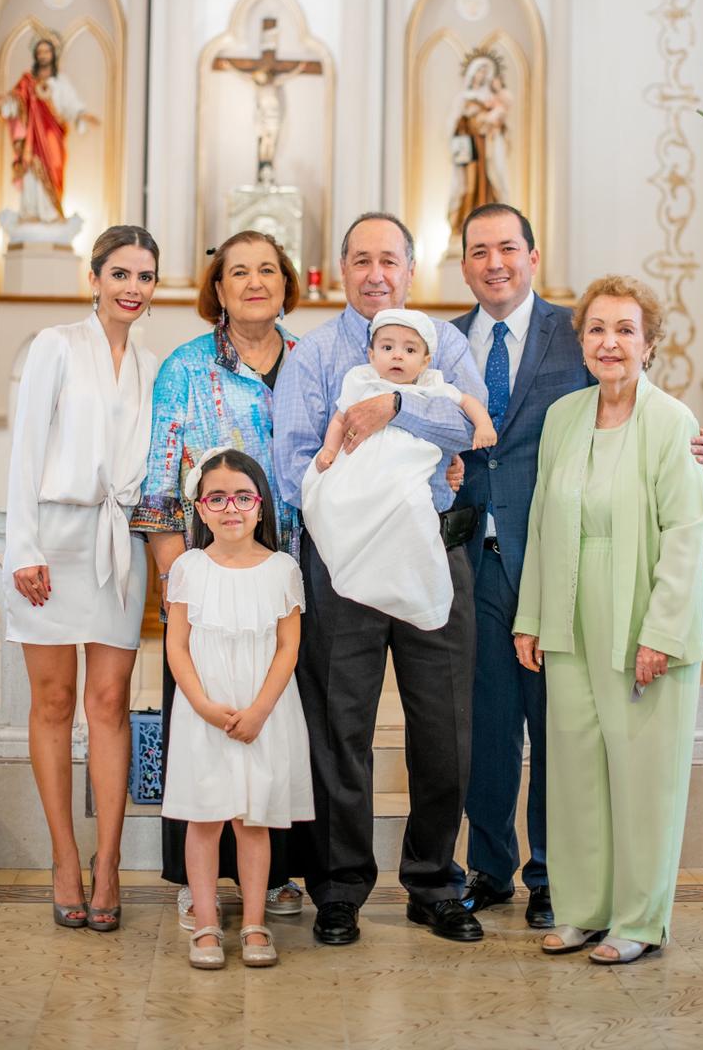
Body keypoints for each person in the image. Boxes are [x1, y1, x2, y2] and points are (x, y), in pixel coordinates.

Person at [452, 204, 703, 931]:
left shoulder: (577, 336)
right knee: (507, 735)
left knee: (592, 752)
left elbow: (668, 487)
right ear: (465, 262)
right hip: (492, 563)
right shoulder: (445, 342)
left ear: (534, 256)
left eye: (509, 248)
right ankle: (506, 873)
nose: (495, 262)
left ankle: (561, 884)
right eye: (480, 251)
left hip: (597, 583)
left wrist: (695, 454)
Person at [274, 213, 489, 945]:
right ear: (341, 269)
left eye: (389, 260)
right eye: (361, 259)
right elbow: (296, 459)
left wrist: (396, 405)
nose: (376, 273)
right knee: (341, 728)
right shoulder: (316, 356)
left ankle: (433, 881)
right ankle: (338, 887)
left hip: (434, 551)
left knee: (445, 727)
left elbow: (468, 426)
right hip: (343, 564)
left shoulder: (445, 343)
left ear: (409, 268)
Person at [514, 275, 703, 964]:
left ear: (649, 344)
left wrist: (661, 629)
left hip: (640, 615)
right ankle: (581, 911)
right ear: (583, 342)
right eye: (597, 329)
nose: (610, 342)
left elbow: (686, 533)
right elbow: (540, 519)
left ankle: (637, 920)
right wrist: (531, 616)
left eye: (625, 330)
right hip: (567, 611)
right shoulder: (564, 416)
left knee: (643, 773)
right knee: (573, 770)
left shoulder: (673, 423)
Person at [131, 231, 306, 922]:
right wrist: (180, 578)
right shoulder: (185, 365)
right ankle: (192, 876)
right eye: (240, 271)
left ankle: (278, 876)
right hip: (204, 574)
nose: (255, 281)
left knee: (276, 716)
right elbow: (159, 474)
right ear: (219, 288)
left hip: (284, 569)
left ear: (286, 284)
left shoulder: (310, 363)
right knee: (201, 720)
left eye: (268, 269)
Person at [3, 225, 159, 930]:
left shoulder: (154, 365)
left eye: (145, 276)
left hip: (117, 539)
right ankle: (65, 858)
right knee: (54, 701)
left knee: (109, 701)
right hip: (55, 537)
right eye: (120, 273)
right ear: (93, 278)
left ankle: (109, 862)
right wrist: (23, 547)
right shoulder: (56, 346)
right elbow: (25, 447)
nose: (132, 287)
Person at [163, 448, 313, 970]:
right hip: (205, 709)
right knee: (204, 819)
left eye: (243, 497)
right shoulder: (186, 568)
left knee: (254, 820)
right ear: (201, 509)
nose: (231, 508)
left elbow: (288, 647)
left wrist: (260, 710)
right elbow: (176, 646)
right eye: (218, 498)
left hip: (262, 711)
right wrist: (203, 704)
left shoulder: (282, 568)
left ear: (261, 506)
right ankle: (205, 923)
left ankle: (253, 922)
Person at [303, 307, 495, 630]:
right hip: (363, 472)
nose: (397, 356)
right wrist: (329, 450)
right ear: (371, 354)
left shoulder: (432, 385)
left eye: (409, 350)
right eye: (387, 348)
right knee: (332, 500)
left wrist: (483, 424)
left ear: (425, 361)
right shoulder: (360, 381)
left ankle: (424, 595)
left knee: (415, 510)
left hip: (409, 474)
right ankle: (357, 570)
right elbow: (340, 417)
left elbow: (467, 403)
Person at [0, 34, 98, 226]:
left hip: (52, 136)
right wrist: (5, 102)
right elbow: (17, 100)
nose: (43, 55)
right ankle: (31, 211)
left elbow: (71, 105)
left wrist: (82, 114)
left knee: (55, 168)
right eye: (39, 51)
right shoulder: (28, 80)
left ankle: (51, 213)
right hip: (32, 139)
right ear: (36, 55)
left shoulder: (61, 82)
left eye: (46, 51)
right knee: (32, 172)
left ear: (53, 54)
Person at [448, 54, 511, 241]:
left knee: (491, 183)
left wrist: (491, 123)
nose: (482, 76)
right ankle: (463, 227)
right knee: (468, 186)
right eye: (479, 71)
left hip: (487, 149)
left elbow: (501, 127)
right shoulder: (463, 98)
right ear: (472, 73)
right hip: (470, 151)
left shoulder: (491, 99)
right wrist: (468, 124)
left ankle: (491, 228)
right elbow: (453, 125)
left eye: (485, 72)